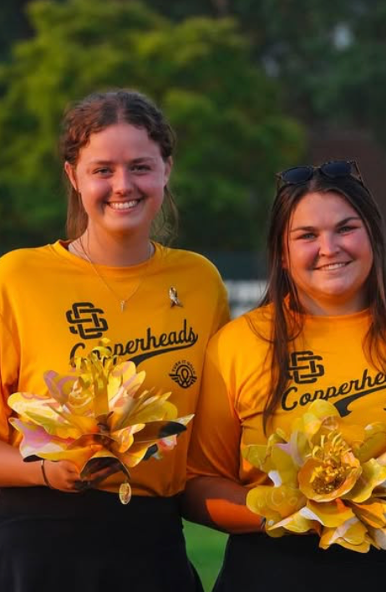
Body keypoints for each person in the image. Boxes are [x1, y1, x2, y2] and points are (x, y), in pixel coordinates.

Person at [184, 160, 386, 591]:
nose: (329, 247)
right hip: (281, 569)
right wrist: (292, 511)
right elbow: (198, 483)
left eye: (345, 228)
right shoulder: (237, 344)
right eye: (307, 236)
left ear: (373, 234)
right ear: (282, 252)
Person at [0, 89, 230, 591]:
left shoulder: (199, 281)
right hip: (37, 544)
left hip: (152, 542)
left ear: (167, 169)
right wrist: (46, 473)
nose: (122, 185)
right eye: (102, 169)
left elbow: (208, 448)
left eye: (140, 167)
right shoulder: (17, 276)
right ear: (73, 177)